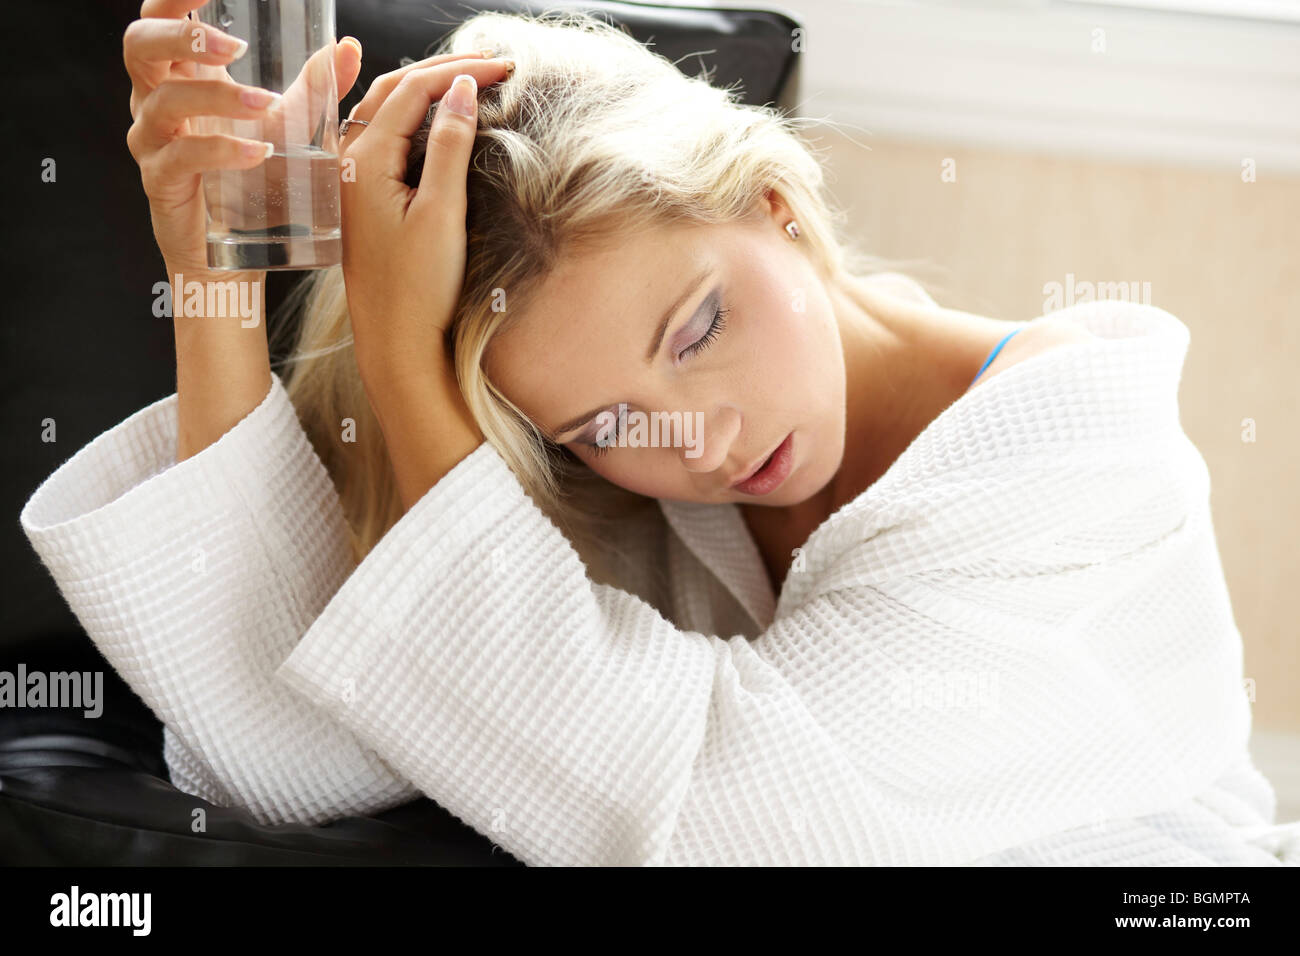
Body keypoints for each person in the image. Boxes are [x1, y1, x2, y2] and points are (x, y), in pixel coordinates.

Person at [19, 4, 1298, 866]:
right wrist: (216, 281)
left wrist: (407, 366)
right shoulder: (644, 474)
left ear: (778, 201)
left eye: (697, 328)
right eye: (596, 422)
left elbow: (718, 814)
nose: (696, 440)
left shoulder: (1078, 456)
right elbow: (289, 751)